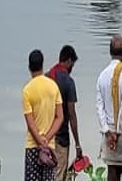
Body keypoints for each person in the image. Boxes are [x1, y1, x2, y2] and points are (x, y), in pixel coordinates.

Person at [96, 36, 122, 181]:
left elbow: (99, 106)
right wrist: (118, 132)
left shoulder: (102, 75)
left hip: (108, 130)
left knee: (111, 169)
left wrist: (107, 131)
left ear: (110, 52)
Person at [24, 49, 66, 181]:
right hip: (49, 147)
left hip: (32, 145)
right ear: (42, 65)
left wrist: (39, 141)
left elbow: (30, 123)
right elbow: (60, 117)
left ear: (29, 67)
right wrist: (46, 139)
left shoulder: (27, 90)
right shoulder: (53, 87)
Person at [47, 45, 84, 181]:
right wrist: (77, 143)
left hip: (44, 136)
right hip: (61, 137)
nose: (72, 68)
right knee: (59, 174)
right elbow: (72, 114)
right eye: (72, 64)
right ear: (68, 61)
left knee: (47, 174)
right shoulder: (69, 82)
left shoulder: (47, 77)